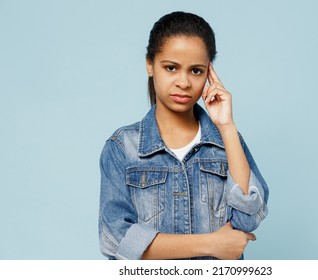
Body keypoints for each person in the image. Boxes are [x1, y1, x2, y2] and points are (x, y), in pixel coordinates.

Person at [99, 11, 269, 260]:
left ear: (209, 73)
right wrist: (211, 244)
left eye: (196, 71)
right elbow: (116, 241)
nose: (184, 82)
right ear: (150, 65)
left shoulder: (228, 142)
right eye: (171, 68)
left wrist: (227, 126)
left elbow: (248, 218)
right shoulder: (122, 147)